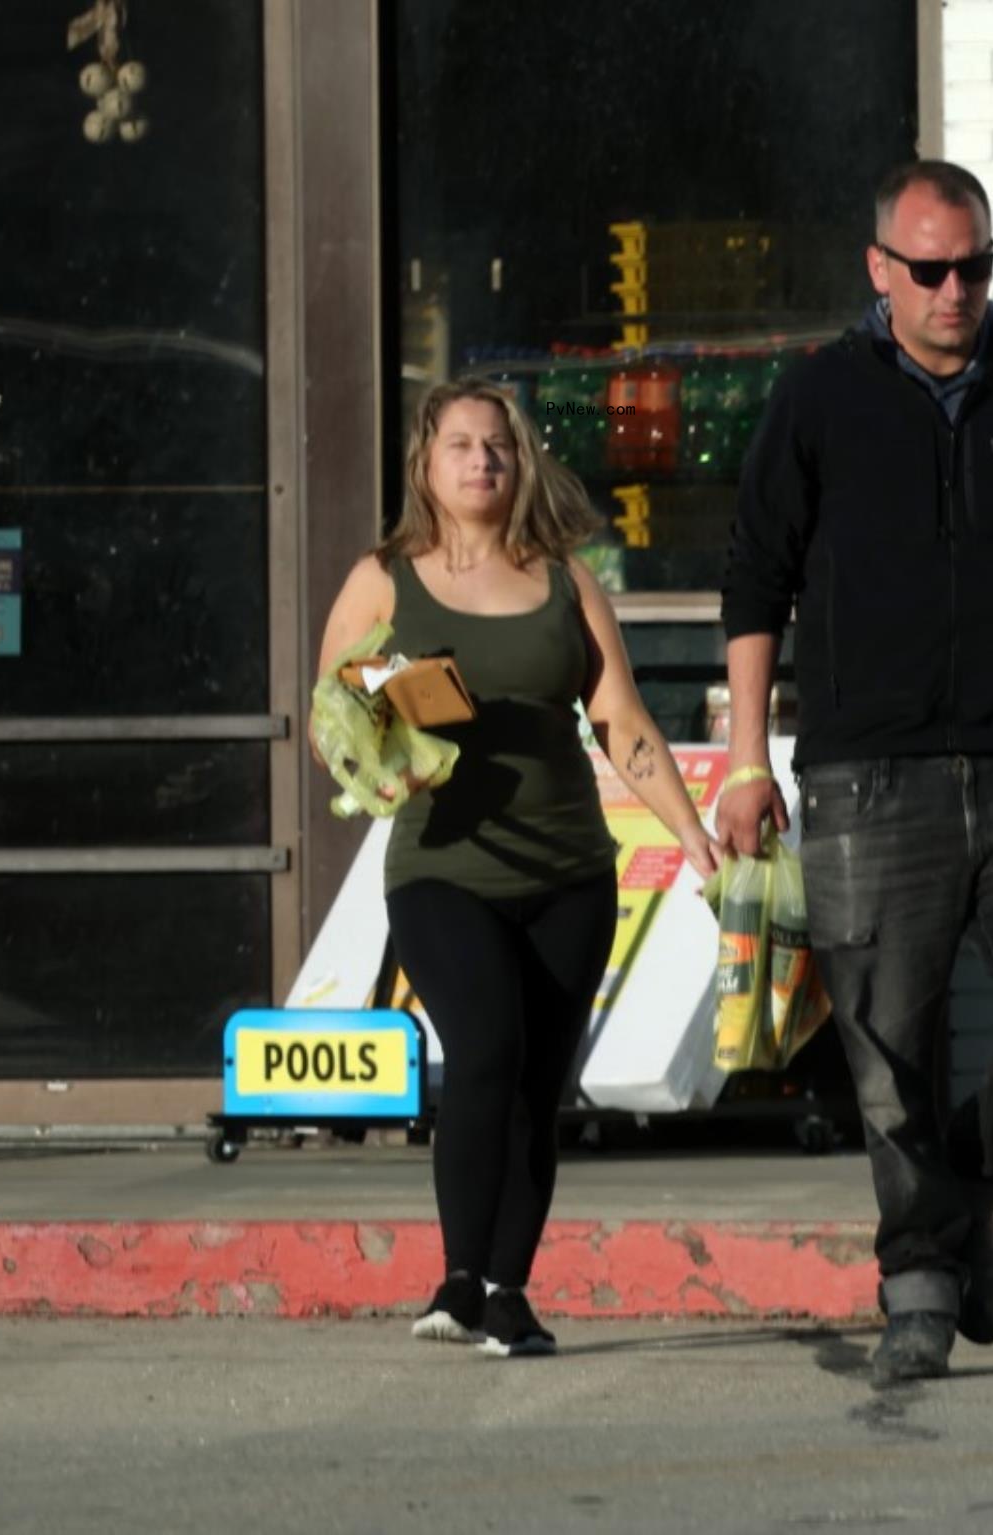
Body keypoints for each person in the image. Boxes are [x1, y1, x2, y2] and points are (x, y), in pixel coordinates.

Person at [717, 160, 993, 1386]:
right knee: (888, 1050)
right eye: (930, 269)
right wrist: (746, 759)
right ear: (880, 269)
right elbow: (756, 575)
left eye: (975, 266)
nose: (956, 289)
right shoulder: (820, 396)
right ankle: (919, 1287)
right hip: (865, 773)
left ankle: (956, 1207)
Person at [315, 378, 722, 1357]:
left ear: (520, 459)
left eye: (496, 444)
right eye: (460, 444)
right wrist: (388, 730)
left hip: (571, 868)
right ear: (426, 462)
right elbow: (334, 707)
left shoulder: (566, 579)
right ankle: (458, 1277)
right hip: (443, 864)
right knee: (487, 1047)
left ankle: (508, 1290)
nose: (481, 460)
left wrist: (693, 834)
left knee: (540, 1083)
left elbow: (621, 720)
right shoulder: (386, 577)